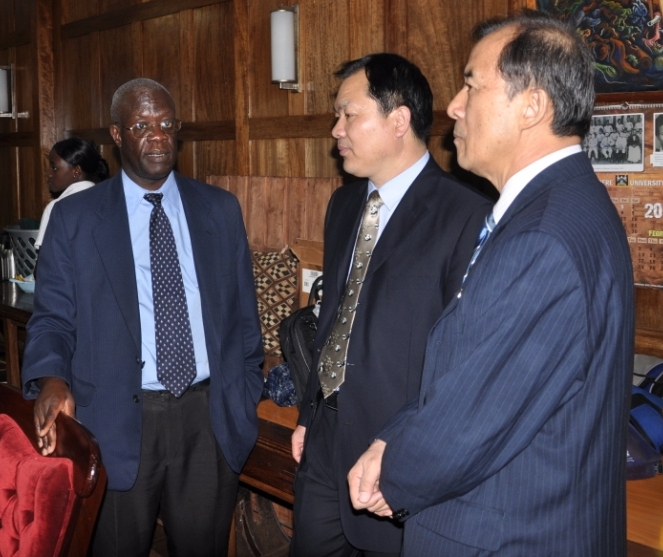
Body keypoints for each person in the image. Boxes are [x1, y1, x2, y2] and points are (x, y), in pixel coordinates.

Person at [348, 11, 634, 557]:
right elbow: (469, 367)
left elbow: (470, 425)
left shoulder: (545, 237)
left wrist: (394, 473)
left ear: (532, 106)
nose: (455, 104)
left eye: (473, 84)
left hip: (509, 536)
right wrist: (391, 438)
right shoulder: (559, 207)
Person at [22, 78, 264, 557]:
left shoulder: (219, 210)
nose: (157, 136)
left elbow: (242, 320)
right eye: (141, 125)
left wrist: (243, 390)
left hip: (207, 420)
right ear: (116, 134)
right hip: (113, 421)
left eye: (166, 124)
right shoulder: (76, 219)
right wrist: (50, 377)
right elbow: (51, 317)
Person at [290, 53, 492, 557]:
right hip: (324, 441)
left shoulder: (466, 213)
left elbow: (463, 360)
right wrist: (307, 411)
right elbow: (334, 316)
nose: (336, 129)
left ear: (398, 119)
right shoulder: (343, 206)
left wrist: (407, 453)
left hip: (394, 454)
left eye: (348, 114)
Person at [35, 138, 109, 250]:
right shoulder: (109, 200)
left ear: (76, 171)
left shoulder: (57, 207)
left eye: (54, 168)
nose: (48, 173)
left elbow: (45, 260)